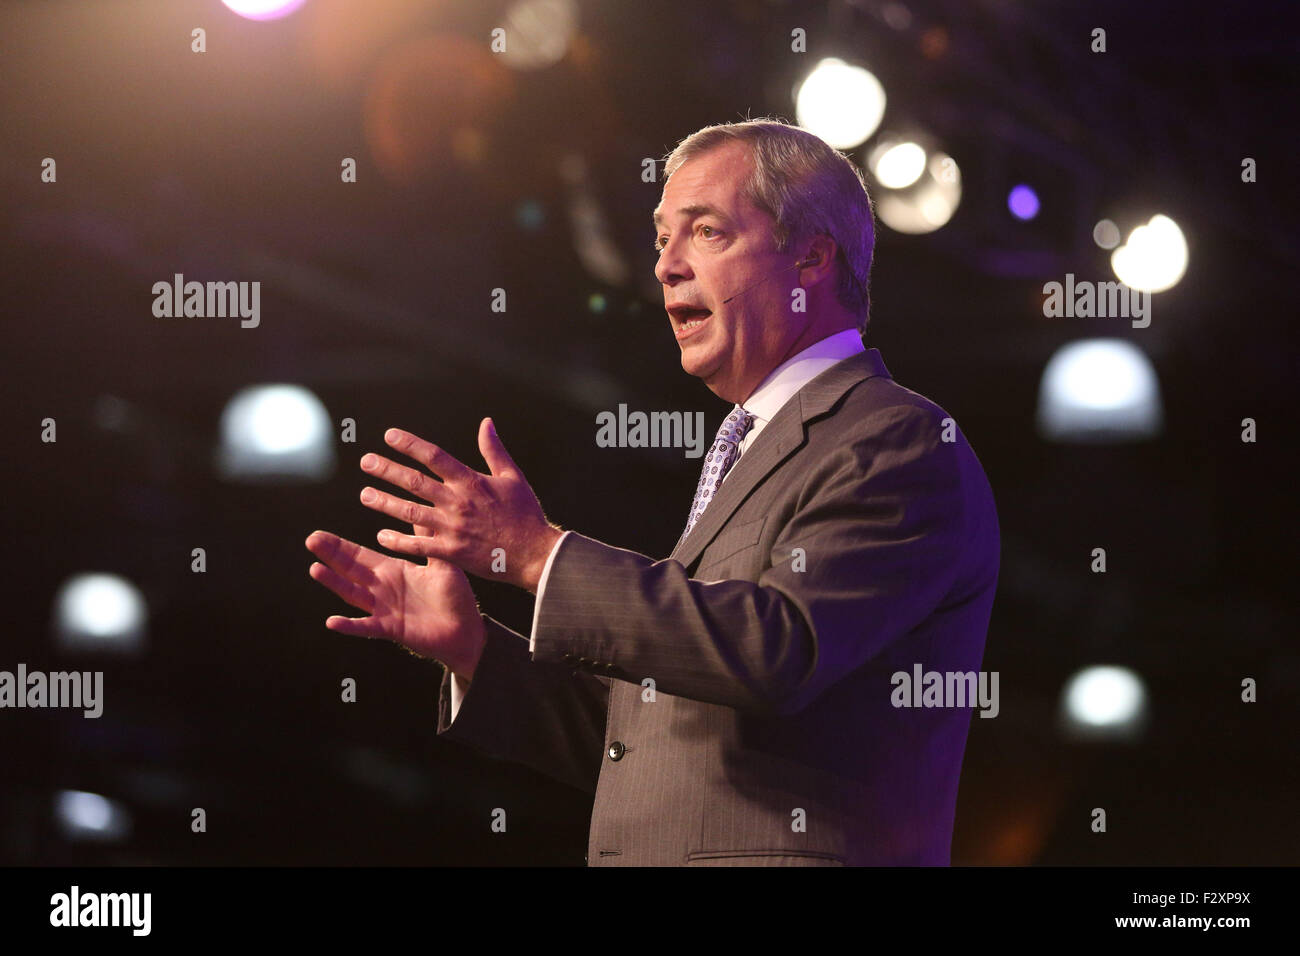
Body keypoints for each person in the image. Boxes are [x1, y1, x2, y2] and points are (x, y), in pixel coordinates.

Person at [305, 117, 1000, 866]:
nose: (666, 266)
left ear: (810, 258)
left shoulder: (895, 438)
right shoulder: (749, 448)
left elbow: (778, 651)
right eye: (662, 238)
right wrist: (475, 648)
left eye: (706, 232)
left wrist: (539, 555)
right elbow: (651, 742)